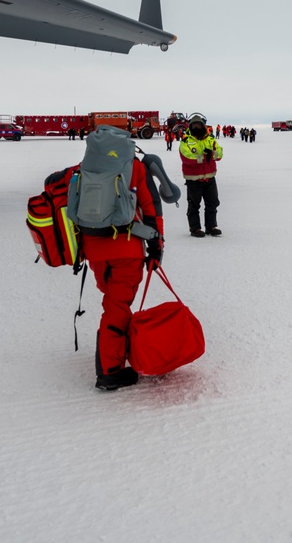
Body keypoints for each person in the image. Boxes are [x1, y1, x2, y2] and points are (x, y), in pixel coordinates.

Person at [70, 134, 165, 391]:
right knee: (118, 307)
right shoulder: (135, 167)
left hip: (94, 251)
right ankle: (110, 371)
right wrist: (157, 246)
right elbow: (150, 208)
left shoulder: (86, 166)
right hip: (126, 250)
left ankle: (115, 351)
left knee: (112, 301)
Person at [180, 115, 223, 237]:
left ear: (203, 126)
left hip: (209, 177)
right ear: (190, 127)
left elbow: (220, 153)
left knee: (212, 202)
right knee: (194, 204)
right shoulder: (185, 141)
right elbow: (188, 158)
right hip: (194, 179)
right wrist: (205, 157)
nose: (197, 127)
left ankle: (211, 226)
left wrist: (212, 153)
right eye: (194, 125)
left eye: (199, 125)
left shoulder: (210, 140)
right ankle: (195, 229)